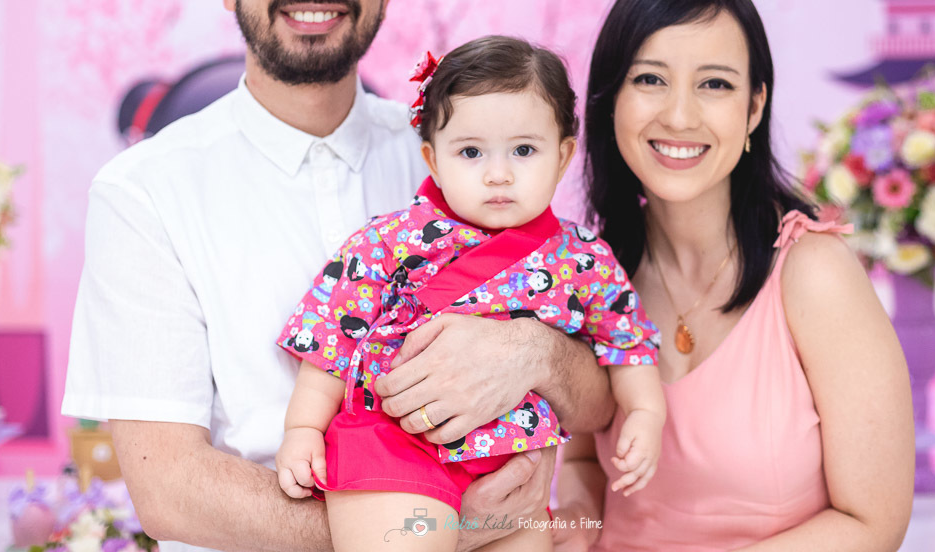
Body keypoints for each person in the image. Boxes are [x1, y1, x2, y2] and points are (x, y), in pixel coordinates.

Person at [61, 0, 615, 552]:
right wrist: (428, 526)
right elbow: (170, 492)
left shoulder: (463, 160)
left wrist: (537, 353)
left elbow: (599, 399)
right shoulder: (145, 192)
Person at [553, 0, 914, 551]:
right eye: (649, 79)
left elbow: (873, 523)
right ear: (610, 99)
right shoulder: (591, 275)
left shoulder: (813, 274)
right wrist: (572, 524)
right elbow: (587, 467)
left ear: (753, 108)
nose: (679, 115)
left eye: (714, 84)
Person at [274, 36, 665, 551]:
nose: (498, 173)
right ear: (434, 161)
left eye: (524, 150)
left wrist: (646, 413)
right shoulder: (390, 240)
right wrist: (302, 428)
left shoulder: (584, 258)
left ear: (564, 155)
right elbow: (334, 339)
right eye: (471, 151)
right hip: (397, 448)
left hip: (514, 470)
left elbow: (626, 342)